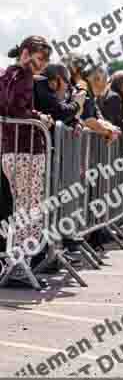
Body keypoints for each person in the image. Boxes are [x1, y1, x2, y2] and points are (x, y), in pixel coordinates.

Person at [0, 36, 53, 285]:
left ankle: (16, 264)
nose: (42, 64)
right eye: (40, 58)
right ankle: (19, 266)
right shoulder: (23, 77)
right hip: (26, 150)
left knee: (21, 209)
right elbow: (14, 108)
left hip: (12, 151)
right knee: (30, 210)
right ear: (25, 53)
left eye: (46, 60)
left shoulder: (7, 75)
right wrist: (39, 116)